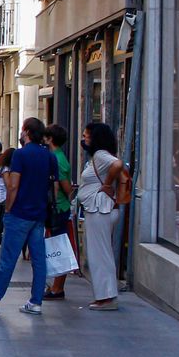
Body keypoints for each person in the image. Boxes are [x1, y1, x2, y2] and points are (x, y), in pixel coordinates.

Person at [0, 117, 57, 315]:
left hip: (20, 212)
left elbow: (14, 185)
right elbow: (55, 185)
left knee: (8, 259)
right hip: (39, 213)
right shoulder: (49, 156)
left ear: (26, 131)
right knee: (38, 260)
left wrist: (9, 208)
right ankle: (36, 301)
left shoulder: (20, 155)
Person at [76, 123, 127, 311]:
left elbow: (118, 164)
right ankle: (104, 295)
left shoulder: (100, 155)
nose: (84, 139)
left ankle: (106, 297)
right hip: (98, 209)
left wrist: (106, 184)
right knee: (99, 253)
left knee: (100, 254)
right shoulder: (97, 157)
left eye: (86, 136)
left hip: (100, 210)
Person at [43, 124, 78, 300]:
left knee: (59, 246)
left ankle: (58, 287)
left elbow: (66, 187)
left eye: (46, 136)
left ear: (50, 139)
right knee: (56, 245)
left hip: (59, 207)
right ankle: (56, 286)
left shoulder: (57, 159)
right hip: (58, 207)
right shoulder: (56, 157)